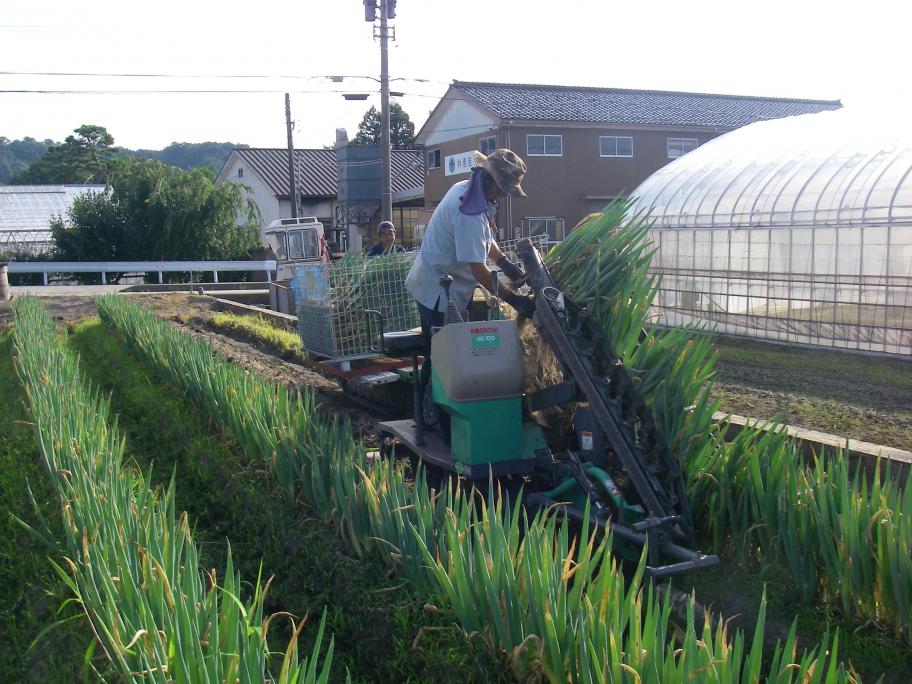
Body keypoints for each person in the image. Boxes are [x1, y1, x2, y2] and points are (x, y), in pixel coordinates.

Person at [405, 148, 534, 334]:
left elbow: (484, 238)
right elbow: (480, 271)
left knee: (449, 353)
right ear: (495, 184)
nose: (504, 197)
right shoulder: (468, 212)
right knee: (444, 354)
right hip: (438, 292)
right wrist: (515, 300)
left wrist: (502, 261)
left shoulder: (469, 190)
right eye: (505, 191)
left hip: (438, 281)